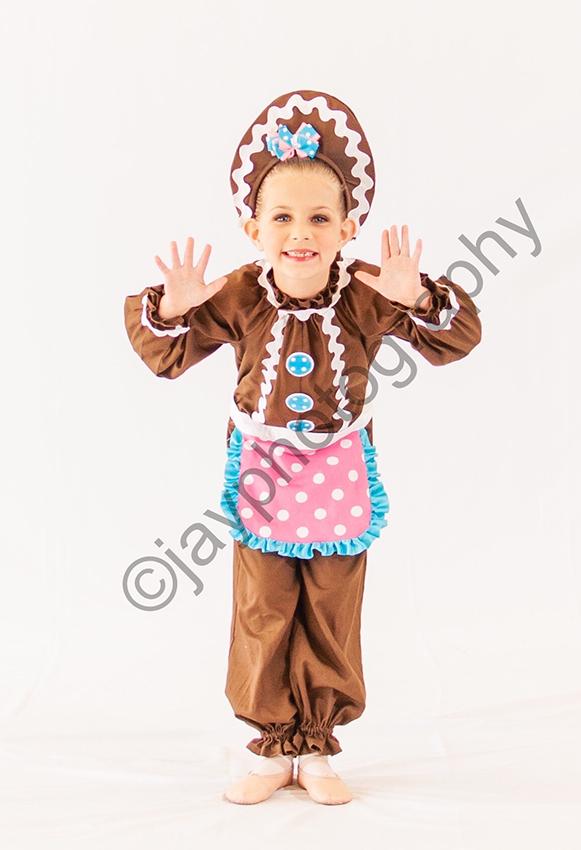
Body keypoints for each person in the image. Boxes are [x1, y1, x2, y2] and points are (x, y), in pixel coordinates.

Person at [123, 89, 482, 806]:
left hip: (339, 471)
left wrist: (416, 299)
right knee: (262, 605)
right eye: (282, 217)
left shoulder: (369, 291)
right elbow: (166, 356)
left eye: (319, 217)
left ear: (348, 226)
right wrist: (173, 309)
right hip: (263, 476)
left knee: (330, 605)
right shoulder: (240, 293)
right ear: (252, 226)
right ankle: (269, 745)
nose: (300, 233)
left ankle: (314, 746)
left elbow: (455, 340)